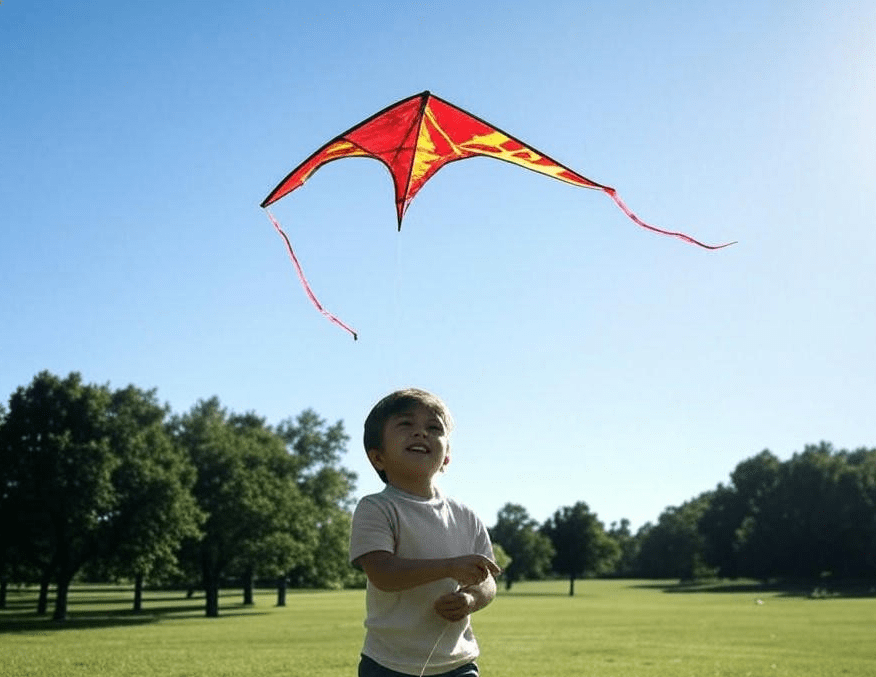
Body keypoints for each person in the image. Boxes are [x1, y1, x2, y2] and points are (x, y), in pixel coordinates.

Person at [350, 388, 501, 677]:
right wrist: (449, 567)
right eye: (406, 425)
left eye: (434, 428)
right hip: (387, 665)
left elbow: (487, 581)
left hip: (458, 665)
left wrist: (471, 599)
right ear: (378, 458)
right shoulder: (376, 508)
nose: (421, 433)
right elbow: (383, 573)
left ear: (447, 458)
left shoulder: (467, 516)